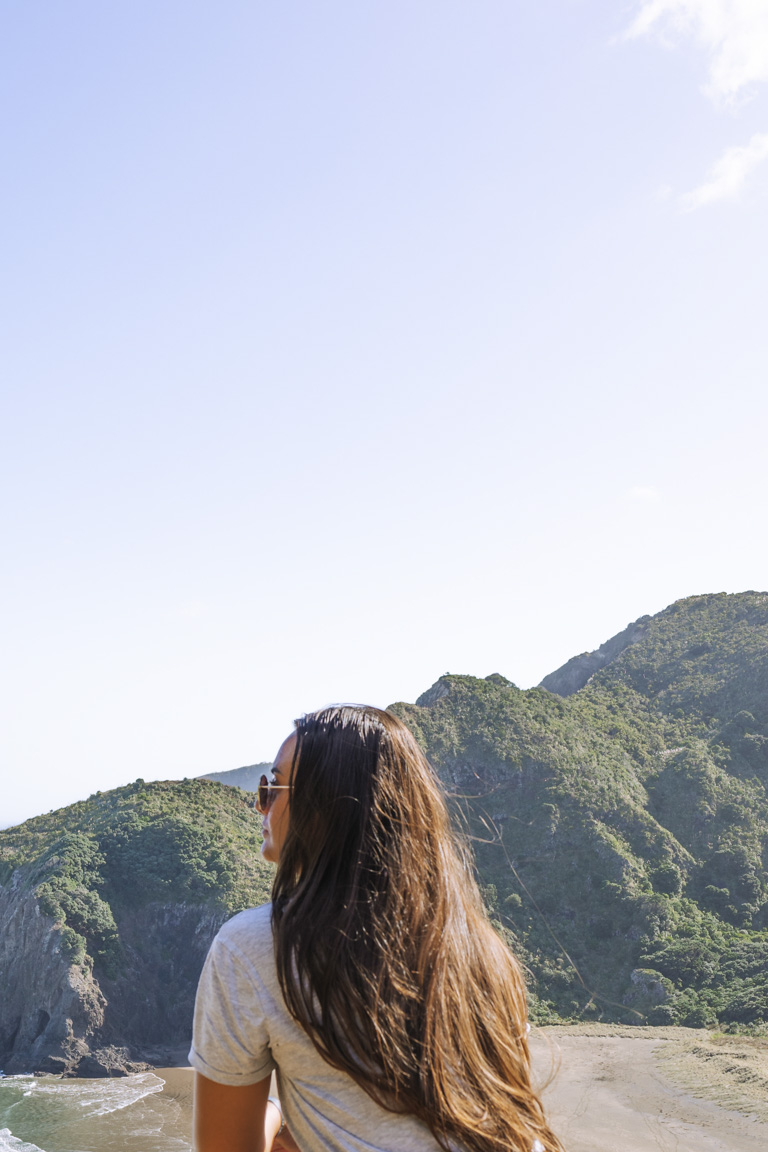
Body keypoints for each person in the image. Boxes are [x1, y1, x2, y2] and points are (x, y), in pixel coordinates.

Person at [190, 705, 564, 1152]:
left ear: (323, 804)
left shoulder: (255, 946)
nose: (260, 804)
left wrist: (273, 1116)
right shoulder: (483, 952)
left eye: (271, 787)